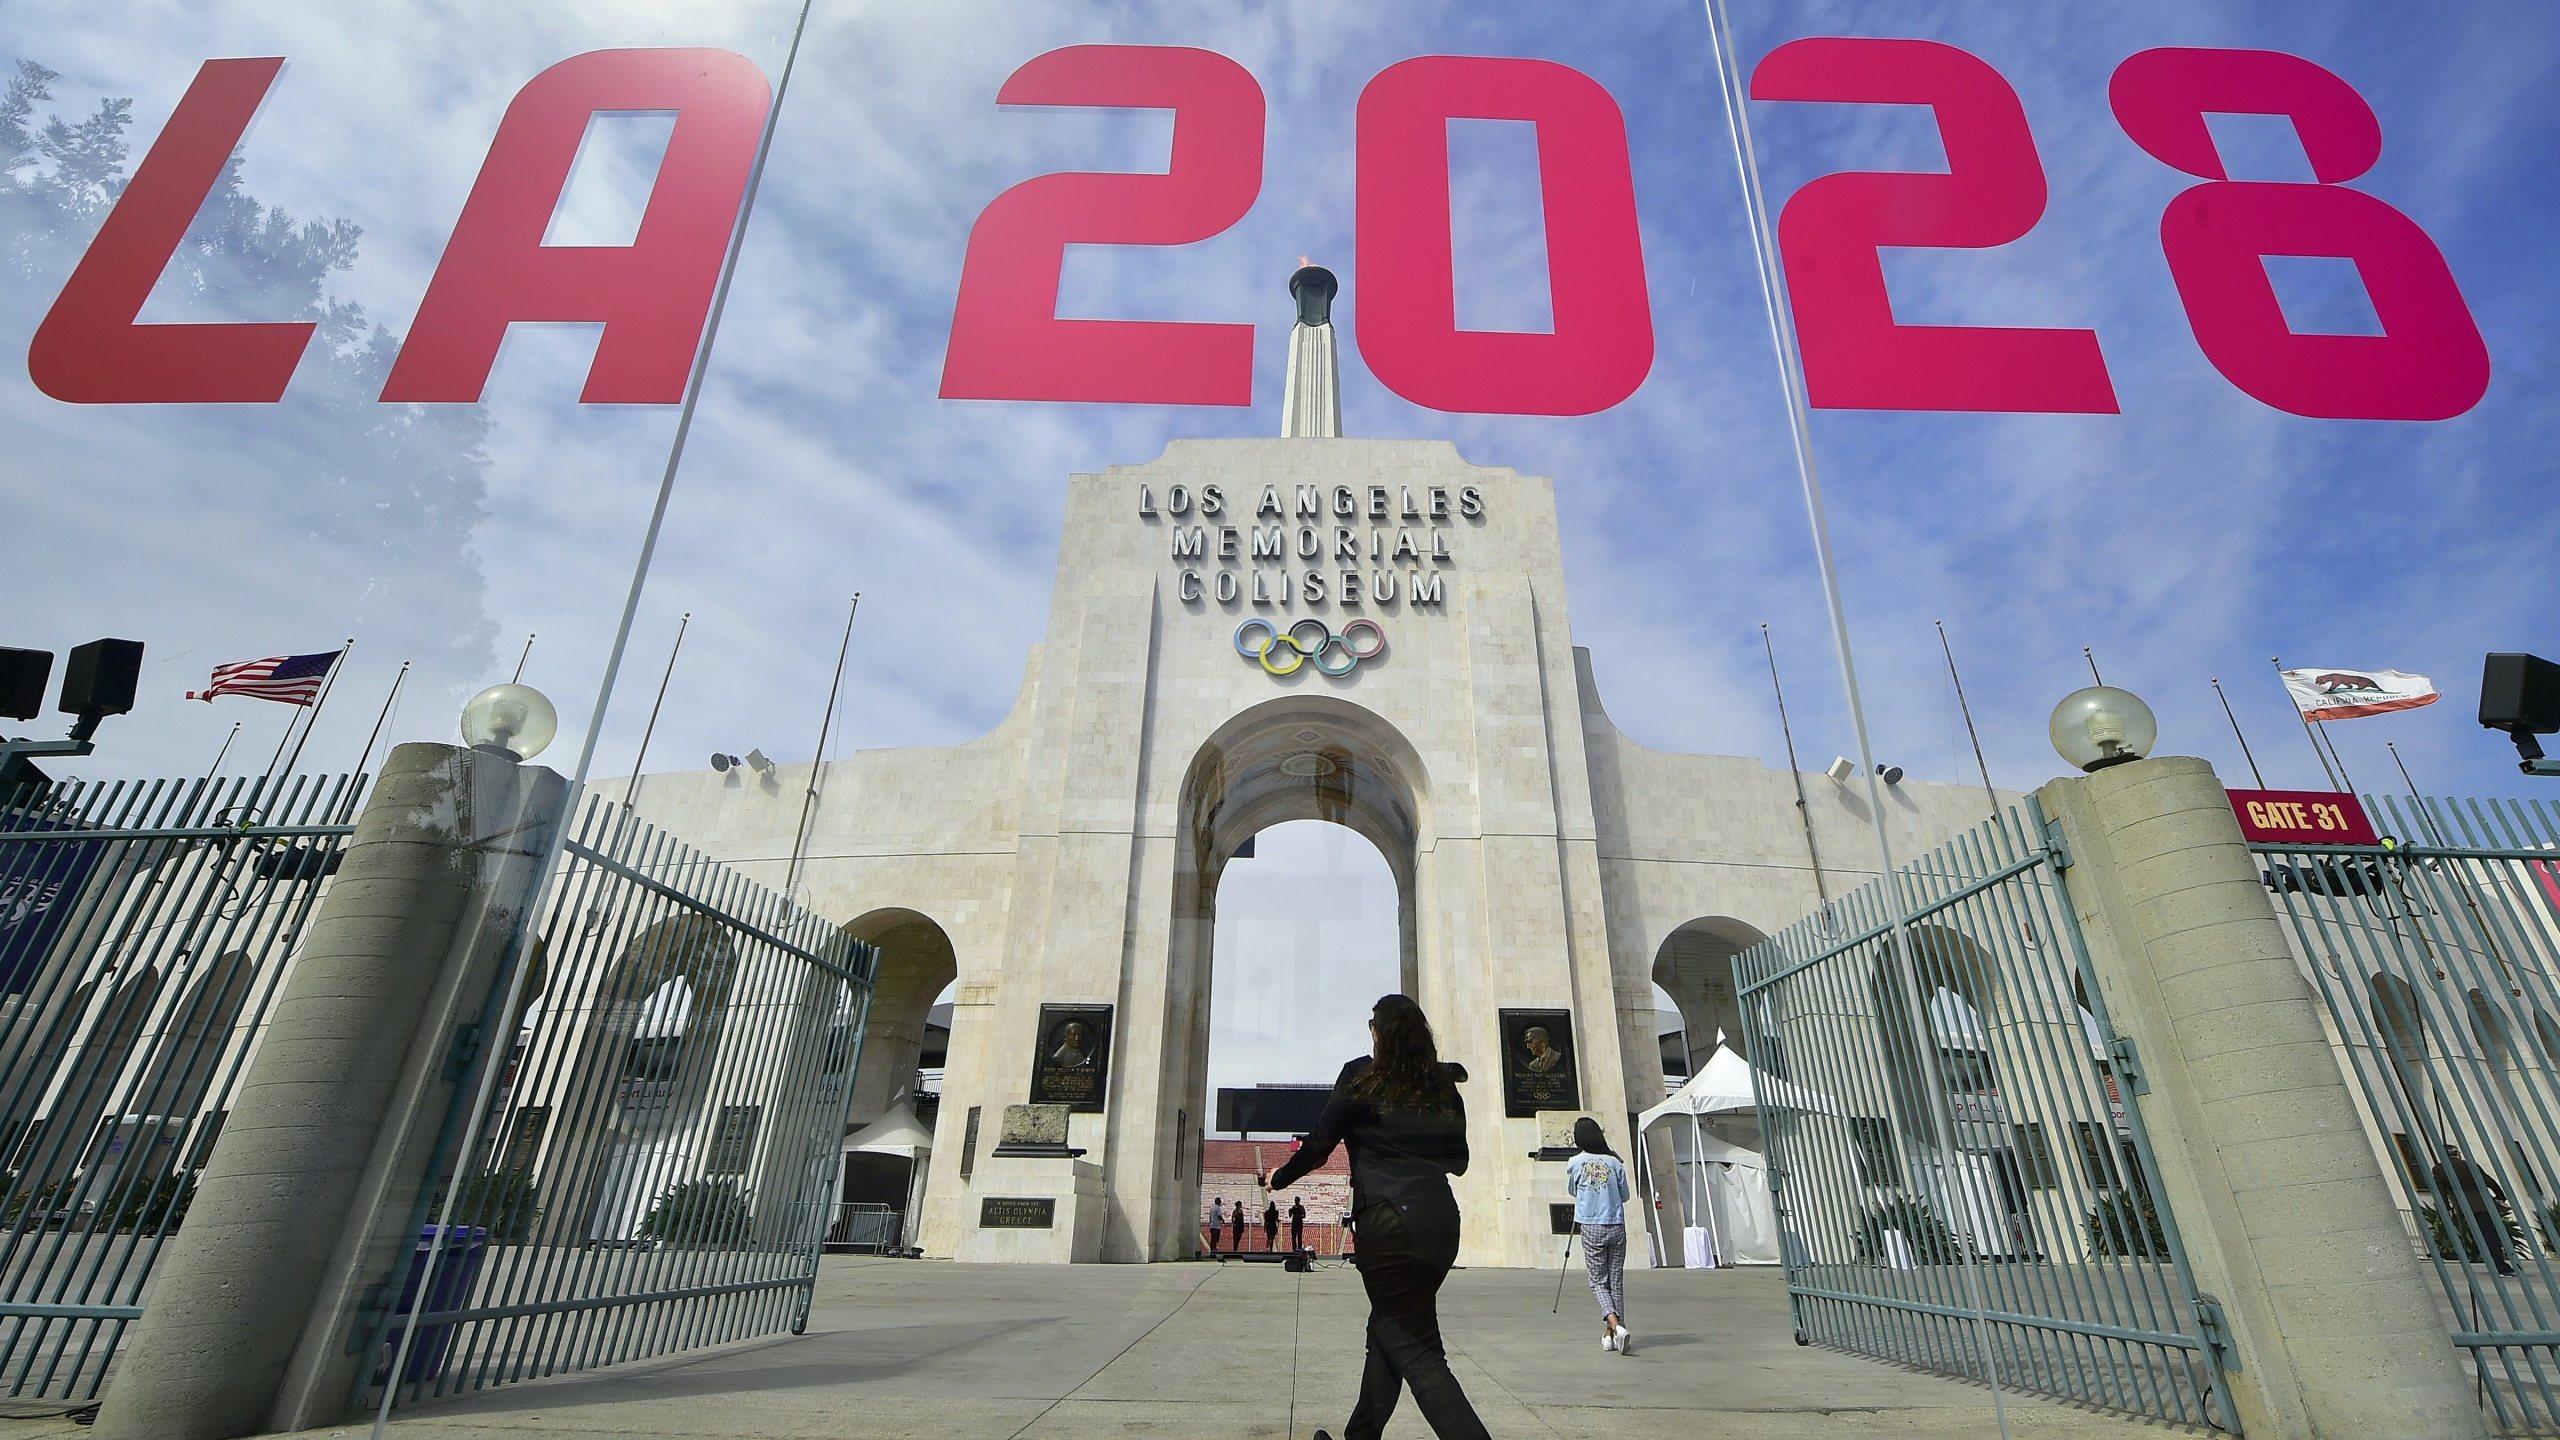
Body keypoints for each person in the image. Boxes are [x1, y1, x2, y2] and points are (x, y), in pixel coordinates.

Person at [1270, 993, 1491, 1440]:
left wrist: (1279, 1178)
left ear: (1378, 1032)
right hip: (1440, 1223)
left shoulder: (1359, 1076)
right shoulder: (1440, 1086)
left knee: (1418, 1350)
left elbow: (1318, 1146)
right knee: (1390, 1329)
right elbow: (1460, 1161)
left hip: (1390, 1225)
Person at [1565, 1116, 1634, 1354]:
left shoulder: (1576, 1162)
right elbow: (1625, 1195)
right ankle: (1612, 1333)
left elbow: (1572, 1190)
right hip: (1615, 1223)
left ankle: (1615, 1325)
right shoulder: (1615, 1162)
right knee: (1615, 1282)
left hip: (1592, 1225)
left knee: (1597, 1282)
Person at [2431, 1144, 2518, 1276]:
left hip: (2463, 1208)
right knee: (2491, 1236)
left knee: (2474, 1235)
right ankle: (2500, 1266)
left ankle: (2480, 1257)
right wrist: (2500, 1197)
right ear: (2457, 1153)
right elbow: (2490, 1182)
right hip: (2483, 1205)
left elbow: (2440, 1191)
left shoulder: (2438, 1170)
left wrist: (2446, 1208)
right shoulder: (2469, 1165)